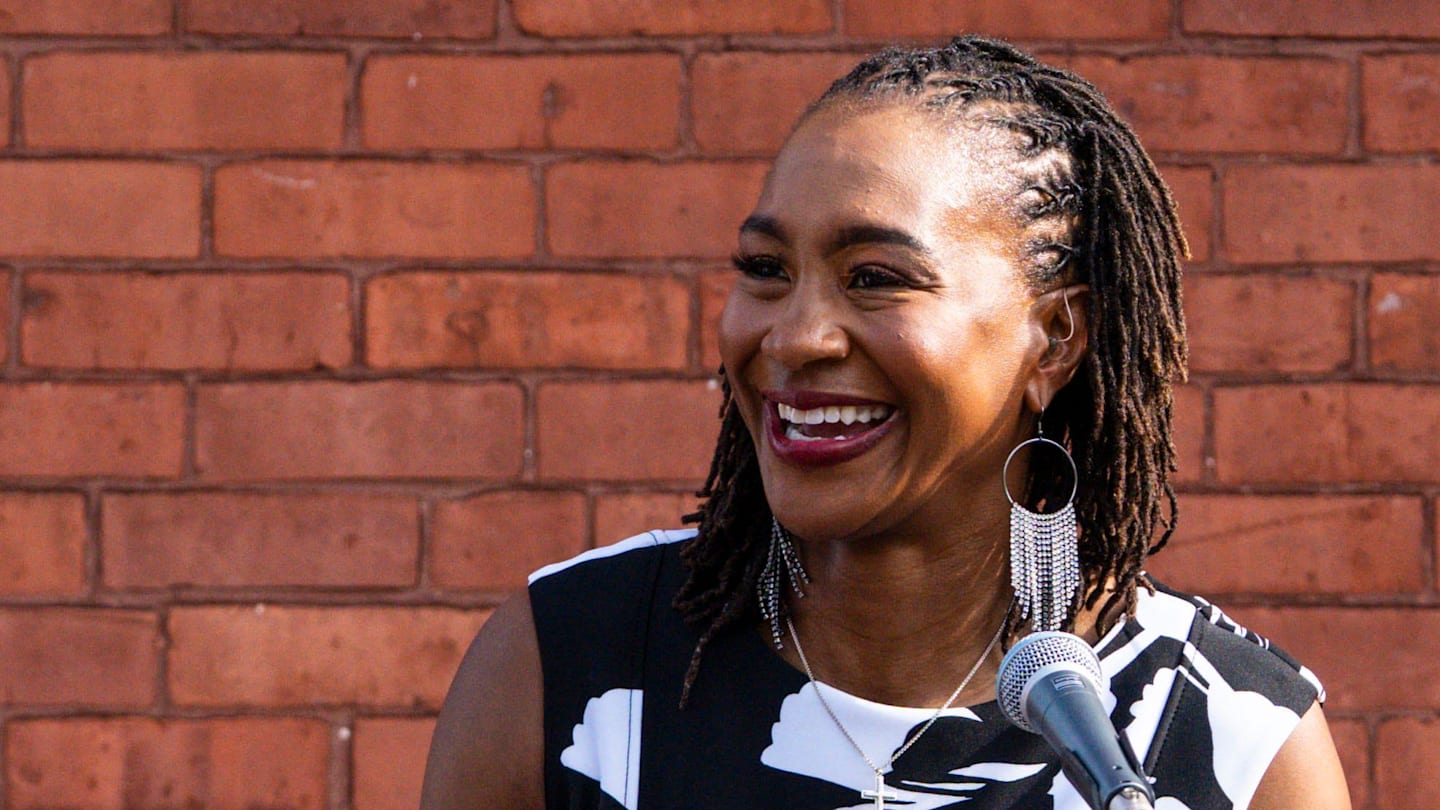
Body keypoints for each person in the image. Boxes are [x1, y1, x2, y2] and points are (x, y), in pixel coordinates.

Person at [421, 36, 1351, 809]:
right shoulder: (573, 667)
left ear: (1056, 337)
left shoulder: (1228, 737)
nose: (795, 337)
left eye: (875, 277)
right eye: (764, 269)